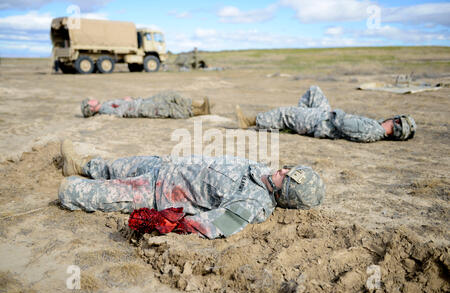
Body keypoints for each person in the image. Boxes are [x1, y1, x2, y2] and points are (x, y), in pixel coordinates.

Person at [58, 140, 325, 239]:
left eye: (288, 179)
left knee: (78, 193)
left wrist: (170, 223)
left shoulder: (253, 204)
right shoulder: (263, 170)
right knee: (111, 167)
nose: (284, 171)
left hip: (155, 192)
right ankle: (81, 166)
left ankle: (70, 187)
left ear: (285, 195)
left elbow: (213, 225)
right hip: (163, 166)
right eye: (290, 169)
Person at [235, 85, 416, 142]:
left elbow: (345, 124)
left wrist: (335, 113)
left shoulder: (373, 130)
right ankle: (296, 121)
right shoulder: (376, 128)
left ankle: (251, 121)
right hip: (325, 118)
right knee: (315, 91)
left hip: (322, 122)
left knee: (285, 112)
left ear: (396, 123)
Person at [81, 90, 211, 119]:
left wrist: (127, 99)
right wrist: (127, 102)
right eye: (89, 102)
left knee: (170, 95)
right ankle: (199, 111)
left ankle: (198, 104)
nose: (91, 99)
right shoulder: (104, 109)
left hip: (142, 102)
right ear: (91, 108)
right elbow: (118, 113)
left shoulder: (104, 104)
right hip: (140, 108)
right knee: (170, 108)